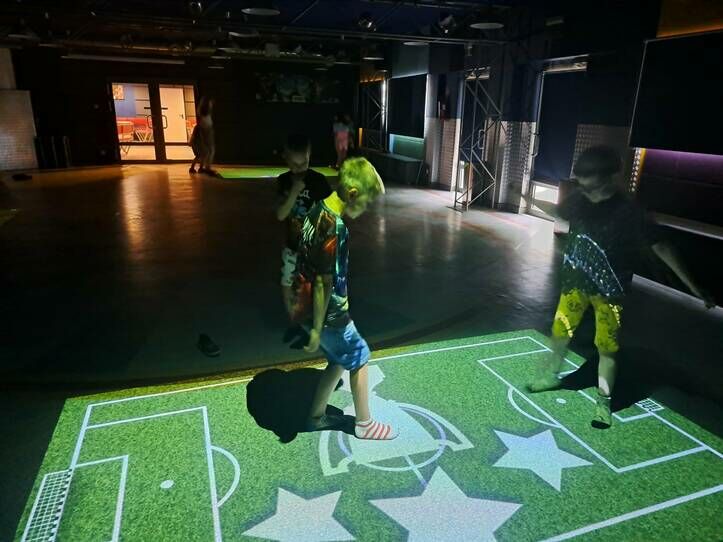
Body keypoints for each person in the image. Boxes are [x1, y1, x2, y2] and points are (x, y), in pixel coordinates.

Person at [526, 145, 715, 429]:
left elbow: (662, 247)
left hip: (609, 294)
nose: (582, 185)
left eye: (588, 180)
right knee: (560, 335)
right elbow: (561, 212)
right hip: (574, 286)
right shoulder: (579, 199)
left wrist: (694, 287)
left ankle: (604, 403)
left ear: (607, 177)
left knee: (606, 350)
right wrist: (528, 198)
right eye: (581, 179)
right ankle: (550, 377)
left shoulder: (629, 212)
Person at [292, 157, 397, 440]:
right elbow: (324, 282)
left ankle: (316, 416)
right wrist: (317, 328)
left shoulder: (316, 210)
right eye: (365, 201)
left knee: (338, 360)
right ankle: (365, 424)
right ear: (352, 194)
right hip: (330, 315)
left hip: (306, 307)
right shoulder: (335, 227)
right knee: (360, 356)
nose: (365, 209)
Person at [276, 134, 332, 325]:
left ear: (309, 156)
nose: (300, 168)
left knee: (319, 282)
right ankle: (293, 318)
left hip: (315, 246)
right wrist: (293, 192)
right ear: (286, 158)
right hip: (293, 245)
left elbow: (331, 210)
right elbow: (281, 214)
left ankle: (318, 320)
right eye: (295, 164)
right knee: (287, 281)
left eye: (304, 163)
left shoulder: (318, 181)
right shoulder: (283, 181)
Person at [189, 97, 218, 176]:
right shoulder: (201, 124)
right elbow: (195, 135)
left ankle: (201, 168)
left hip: (200, 142)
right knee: (201, 155)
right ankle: (193, 168)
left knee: (204, 154)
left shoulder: (204, 121)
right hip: (198, 142)